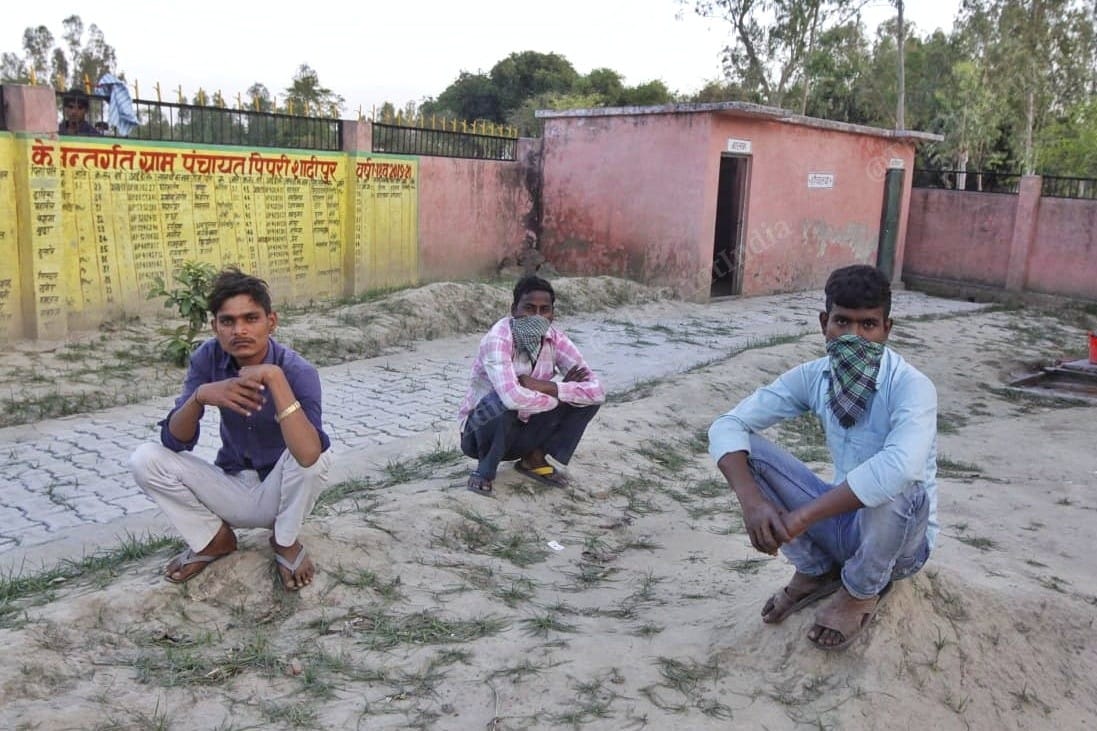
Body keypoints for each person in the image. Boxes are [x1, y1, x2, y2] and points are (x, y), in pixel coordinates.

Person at [708, 265, 937, 651]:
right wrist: (752, 503)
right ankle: (816, 571)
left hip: (899, 544)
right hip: (842, 527)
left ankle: (863, 590)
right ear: (823, 324)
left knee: (901, 482)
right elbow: (727, 425)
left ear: (887, 329)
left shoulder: (911, 386)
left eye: (868, 326)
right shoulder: (814, 377)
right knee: (745, 447)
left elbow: (899, 468)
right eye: (842, 322)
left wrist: (803, 517)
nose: (853, 337)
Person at [130, 268, 333, 591]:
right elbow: (175, 440)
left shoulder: (297, 370)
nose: (239, 330)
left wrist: (275, 379)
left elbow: (308, 455)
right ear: (215, 327)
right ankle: (213, 539)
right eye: (228, 321)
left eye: (251, 319)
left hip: (282, 493)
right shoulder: (207, 359)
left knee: (316, 455)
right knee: (145, 458)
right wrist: (200, 397)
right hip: (233, 485)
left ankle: (284, 540)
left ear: (272, 321)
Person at [458, 275, 605, 496]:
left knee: (585, 402)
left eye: (544, 309)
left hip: (524, 430)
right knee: (500, 402)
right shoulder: (497, 339)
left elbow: (597, 391)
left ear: (552, 314)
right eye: (529, 308)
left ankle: (533, 459)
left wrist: (547, 386)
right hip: (480, 433)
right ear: (514, 309)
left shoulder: (556, 339)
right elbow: (511, 398)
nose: (537, 316)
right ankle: (484, 471)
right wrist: (560, 395)